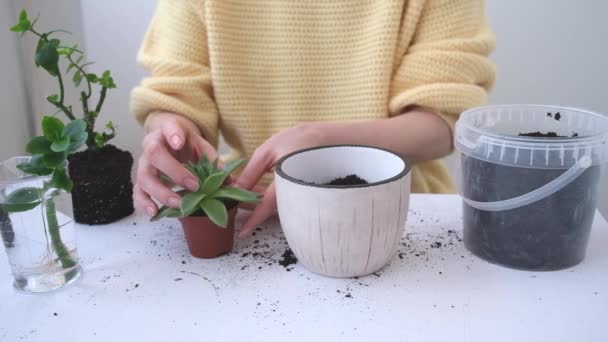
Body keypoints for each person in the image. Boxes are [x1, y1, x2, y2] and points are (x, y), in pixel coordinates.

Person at [130, 0, 495, 237]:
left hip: (398, 216)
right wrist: (170, 132)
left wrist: (320, 140)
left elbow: (442, 125)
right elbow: (177, 94)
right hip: (252, 215)